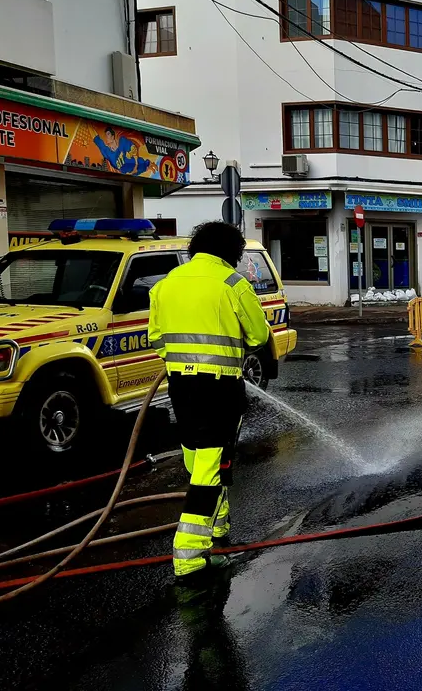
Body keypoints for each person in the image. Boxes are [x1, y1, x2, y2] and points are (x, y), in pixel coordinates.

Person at [148, 222, 269, 582]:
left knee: (197, 458)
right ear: (231, 250)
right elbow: (260, 335)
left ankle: (217, 528)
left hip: (180, 386)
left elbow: (156, 338)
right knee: (209, 470)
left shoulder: (166, 284)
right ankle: (188, 557)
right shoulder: (233, 284)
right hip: (219, 390)